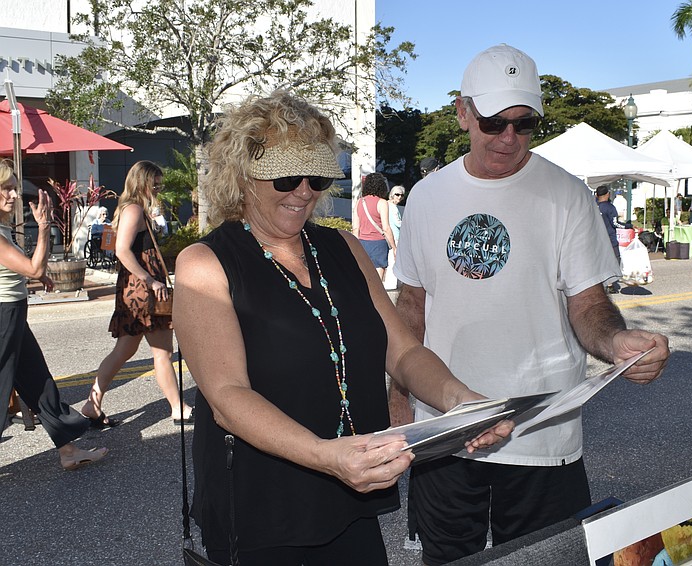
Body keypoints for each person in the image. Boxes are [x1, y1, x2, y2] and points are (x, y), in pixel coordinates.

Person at [171, 89, 511, 566]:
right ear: (244, 177)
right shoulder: (205, 263)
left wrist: (461, 401)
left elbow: (403, 352)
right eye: (287, 176)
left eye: (316, 175)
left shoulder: (344, 249)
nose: (305, 191)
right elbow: (227, 397)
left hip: (349, 493)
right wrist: (327, 456)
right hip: (263, 508)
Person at [390, 44, 670, 565]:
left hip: (543, 428)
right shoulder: (428, 196)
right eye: (495, 122)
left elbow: (588, 304)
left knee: (548, 559)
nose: (509, 139)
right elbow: (411, 307)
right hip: (447, 427)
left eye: (525, 124)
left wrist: (615, 342)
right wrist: (399, 403)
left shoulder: (567, 196)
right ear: (463, 112)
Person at [0, 159, 108, 470]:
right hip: (5, 316)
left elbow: (24, 269)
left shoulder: (4, 228)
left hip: (13, 313)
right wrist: (45, 226)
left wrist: (33, 277)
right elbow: (33, 265)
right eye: (5, 188)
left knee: (38, 381)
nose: (13, 195)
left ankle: (68, 449)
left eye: (14, 188)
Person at [81, 161, 193, 428]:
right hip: (144, 291)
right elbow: (121, 249)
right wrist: (151, 280)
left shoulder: (135, 208)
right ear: (142, 181)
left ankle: (92, 403)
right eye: (155, 182)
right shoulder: (133, 209)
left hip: (135, 290)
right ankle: (178, 407)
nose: (159, 186)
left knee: (124, 350)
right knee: (162, 353)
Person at [351, 172, 396, 281]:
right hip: (378, 244)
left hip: (362, 243)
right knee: (378, 281)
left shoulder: (360, 202)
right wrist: (394, 247)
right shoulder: (382, 203)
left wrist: (354, 247)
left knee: (364, 278)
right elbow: (386, 228)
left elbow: (356, 228)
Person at [596, 185, 622, 294]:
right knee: (614, 260)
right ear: (608, 194)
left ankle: (599, 283)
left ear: (597, 195)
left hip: (596, 240)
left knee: (598, 261)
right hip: (610, 239)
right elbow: (615, 223)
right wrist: (628, 226)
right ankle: (610, 284)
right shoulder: (610, 208)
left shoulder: (593, 207)